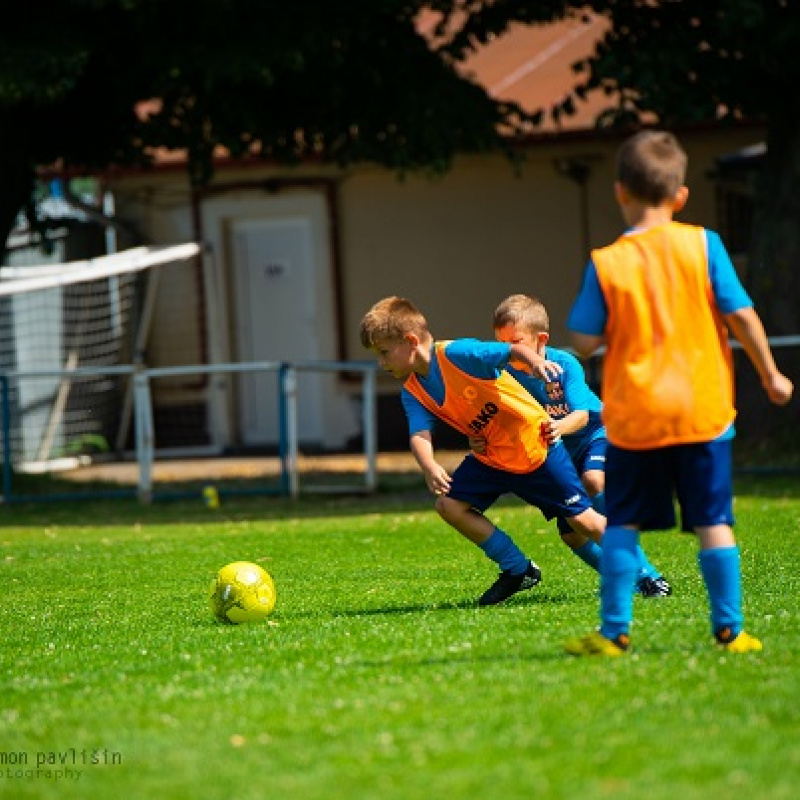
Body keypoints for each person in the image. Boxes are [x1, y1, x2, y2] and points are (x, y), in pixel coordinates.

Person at [563, 129, 794, 656]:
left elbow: (584, 337)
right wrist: (771, 375)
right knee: (714, 522)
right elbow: (741, 315)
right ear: (681, 195)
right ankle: (730, 631)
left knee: (622, 523)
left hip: (636, 416)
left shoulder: (607, 261)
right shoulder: (703, 245)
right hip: (703, 412)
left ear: (620, 191)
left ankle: (614, 632)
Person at [359, 295, 607, 606]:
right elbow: (420, 433)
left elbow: (512, 350)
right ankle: (518, 569)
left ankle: (643, 574)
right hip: (492, 457)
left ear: (411, 341)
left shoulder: (457, 353)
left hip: (535, 446)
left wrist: (536, 363)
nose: (381, 363)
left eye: (384, 353)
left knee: (582, 522)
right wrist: (429, 465)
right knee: (450, 506)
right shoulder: (413, 390)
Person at [470, 293, 670, 596]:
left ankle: (648, 575)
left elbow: (580, 414)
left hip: (596, 435)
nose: (509, 351)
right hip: (558, 454)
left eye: (516, 342)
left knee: (593, 480)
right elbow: (493, 416)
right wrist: (479, 437)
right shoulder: (504, 373)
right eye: (502, 344)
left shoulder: (564, 364)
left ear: (542, 339)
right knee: (573, 536)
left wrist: (559, 427)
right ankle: (625, 581)